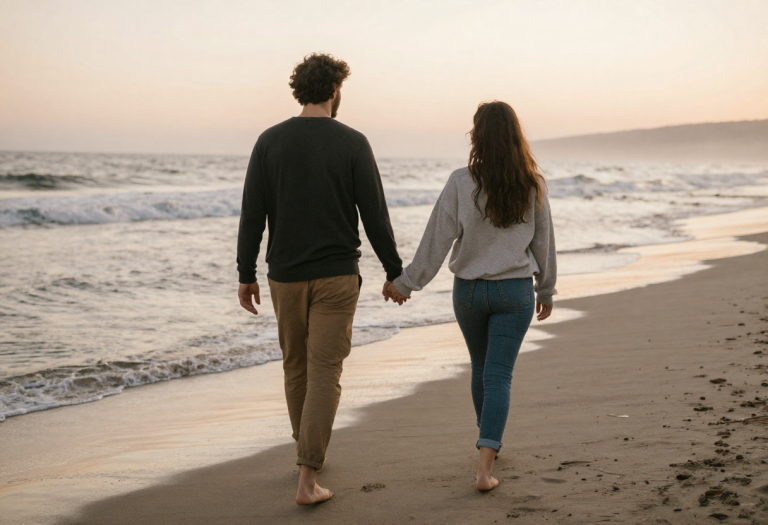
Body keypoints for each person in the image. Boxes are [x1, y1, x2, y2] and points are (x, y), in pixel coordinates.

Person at [236, 53, 405, 505]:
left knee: (296, 366)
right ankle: (307, 478)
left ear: (300, 91)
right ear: (334, 90)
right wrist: (394, 270)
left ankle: (307, 451)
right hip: (335, 276)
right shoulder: (353, 142)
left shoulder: (269, 141)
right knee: (325, 371)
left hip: (284, 277)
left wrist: (245, 274)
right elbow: (375, 215)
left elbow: (253, 214)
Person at [388, 100, 557, 492]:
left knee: (481, 368)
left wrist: (407, 282)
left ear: (477, 135)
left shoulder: (461, 181)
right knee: (498, 375)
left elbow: (437, 237)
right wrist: (545, 288)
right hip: (514, 292)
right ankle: (485, 465)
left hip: (469, 292)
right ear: (516, 136)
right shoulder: (532, 183)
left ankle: (488, 443)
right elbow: (544, 243)